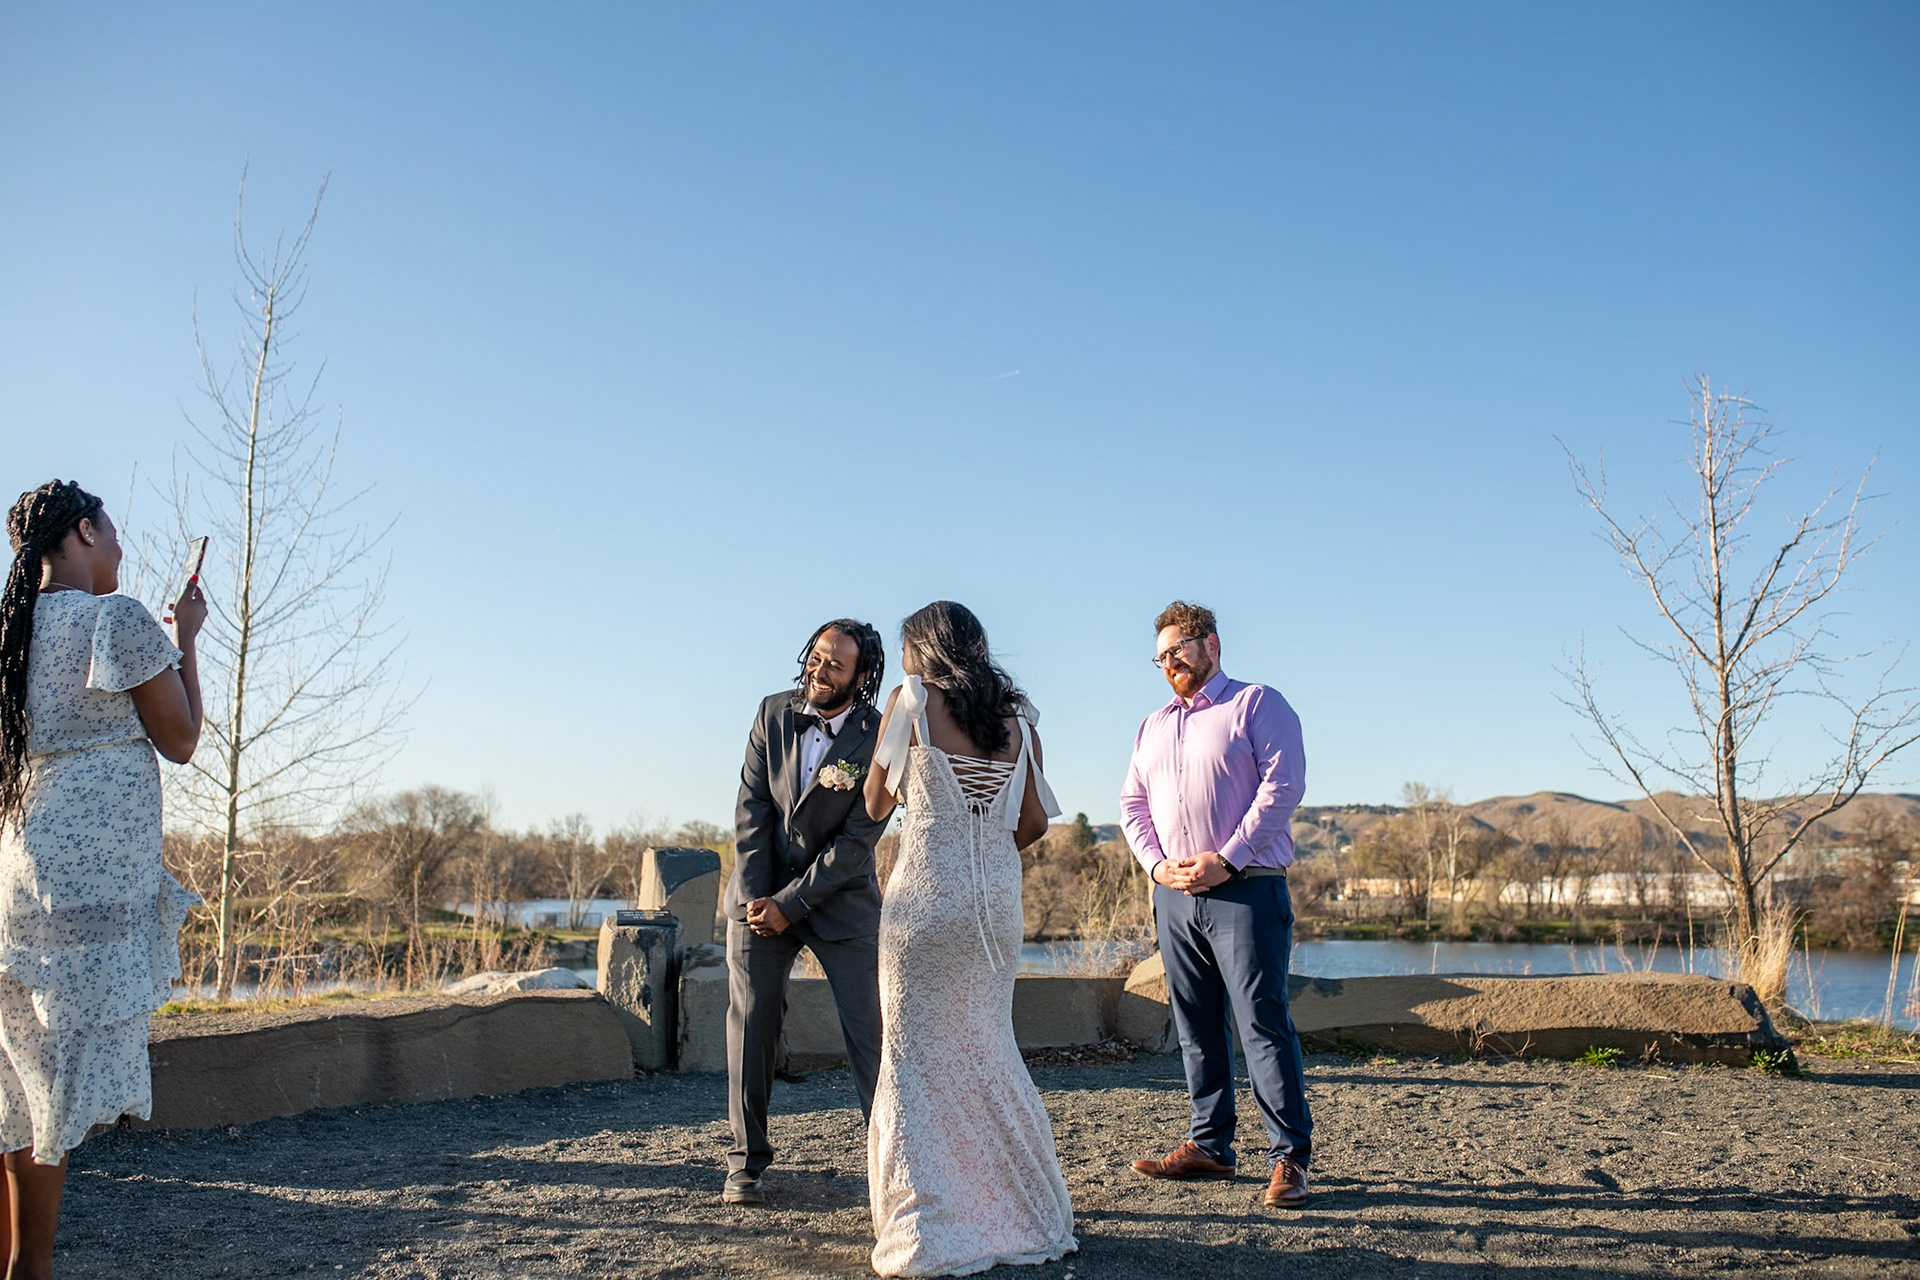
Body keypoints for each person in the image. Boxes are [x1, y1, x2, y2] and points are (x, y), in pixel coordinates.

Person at [0, 480, 205, 1279]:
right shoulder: (114, 620)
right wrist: (187, 639)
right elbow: (181, 740)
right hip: (87, 897)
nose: (119, 546)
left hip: (16, 882)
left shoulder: (11, 632)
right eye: (112, 531)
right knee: (51, 1087)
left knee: (13, 1083)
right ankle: (33, 1269)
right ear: (84, 532)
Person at [863, 601, 1075, 1277]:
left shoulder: (911, 702)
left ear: (923, 651)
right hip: (995, 907)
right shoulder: (1019, 721)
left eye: (906, 648)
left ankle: (929, 1221)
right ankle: (1019, 1213)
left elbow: (874, 801)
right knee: (987, 1048)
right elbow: (1034, 822)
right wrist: (986, 846)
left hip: (925, 903)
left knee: (914, 1059)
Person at [1119, 600, 1313, 1210]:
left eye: (1177, 649)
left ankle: (1289, 1158)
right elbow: (1131, 805)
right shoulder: (1151, 726)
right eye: (1160, 657)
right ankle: (1210, 1145)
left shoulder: (1257, 704)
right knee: (1196, 1027)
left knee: (1261, 1023)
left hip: (1246, 887)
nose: (1169, 663)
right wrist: (1156, 867)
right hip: (1175, 896)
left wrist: (1226, 859)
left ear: (1212, 644)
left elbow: (1283, 786)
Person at [722, 619, 889, 1206]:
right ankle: (745, 1161)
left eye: (835, 665)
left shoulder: (879, 736)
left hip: (842, 900)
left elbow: (858, 838)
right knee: (752, 1023)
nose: (819, 671)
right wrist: (759, 901)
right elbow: (751, 808)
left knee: (872, 1033)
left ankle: (892, 1169)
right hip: (761, 892)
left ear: (861, 677)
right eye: (815, 658)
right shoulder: (772, 712)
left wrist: (793, 904)